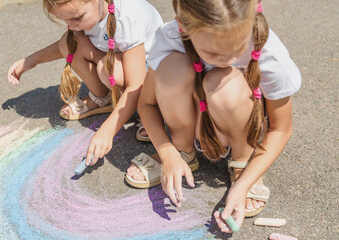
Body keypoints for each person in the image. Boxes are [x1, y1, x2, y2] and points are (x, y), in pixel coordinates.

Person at [126, 0, 301, 233]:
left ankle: (243, 163)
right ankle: (181, 151)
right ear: (183, 27)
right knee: (172, 69)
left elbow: (281, 128)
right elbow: (146, 104)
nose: (228, 59)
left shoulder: (268, 51)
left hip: (238, 122)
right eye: (214, 52)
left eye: (238, 47)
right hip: (197, 120)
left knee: (224, 82)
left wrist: (242, 186)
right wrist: (167, 153)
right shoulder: (171, 37)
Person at [7, 0, 163, 165]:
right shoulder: (88, 16)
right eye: (65, 20)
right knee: (70, 43)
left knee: (108, 70)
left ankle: (148, 110)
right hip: (119, 60)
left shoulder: (127, 17)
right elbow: (65, 45)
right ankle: (102, 98)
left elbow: (135, 84)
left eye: (77, 18)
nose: (72, 25)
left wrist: (107, 131)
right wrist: (32, 60)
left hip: (153, 78)